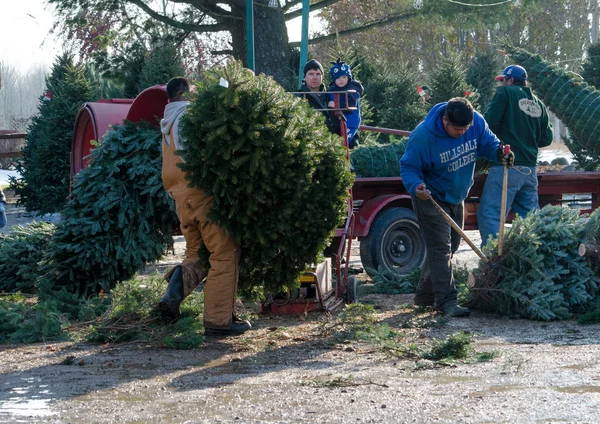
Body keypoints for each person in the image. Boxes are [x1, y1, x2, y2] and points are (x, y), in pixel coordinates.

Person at [400, 97, 514, 317]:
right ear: (444, 120)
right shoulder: (423, 136)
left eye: (465, 128)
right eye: (457, 128)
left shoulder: (477, 122)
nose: (462, 132)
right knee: (440, 249)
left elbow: (489, 144)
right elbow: (408, 166)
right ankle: (446, 302)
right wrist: (416, 186)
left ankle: (424, 296)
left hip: (457, 194)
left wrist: (500, 153)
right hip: (430, 197)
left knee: (450, 247)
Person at [158, 76, 251, 335]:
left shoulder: (167, 122)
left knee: (196, 254)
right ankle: (219, 321)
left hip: (182, 201)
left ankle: (172, 297)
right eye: (194, 91)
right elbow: (200, 152)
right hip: (202, 198)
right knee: (225, 253)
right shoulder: (187, 117)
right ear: (184, 93)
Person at [477, 65, 553, 247]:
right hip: (529, 170)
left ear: (510, 80)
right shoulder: (538, 104)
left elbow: (488, 125)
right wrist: (527, 140)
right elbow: (546, 138)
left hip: (506, 167)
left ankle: (493, 258)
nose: (501, 84)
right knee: (531, 220)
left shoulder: (506, 94)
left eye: (502, 80)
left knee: (491, 214)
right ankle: (537, 255)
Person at [297, 59, 341, 136]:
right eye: (311, 74)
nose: (315, 77)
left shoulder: (331, 95)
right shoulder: (299, 98)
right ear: (304, 77)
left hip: (337, 143)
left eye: (318, 74)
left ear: (322, 76)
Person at [327, 58, 364, 149]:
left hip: (350, 122)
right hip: (338, 122)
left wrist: (336, 104)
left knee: (343, 145)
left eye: (344, 77)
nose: (341, 80)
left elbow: (351, 105)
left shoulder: (351, 90)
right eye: (338, 78)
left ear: (348, 77)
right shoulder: (333, 90)